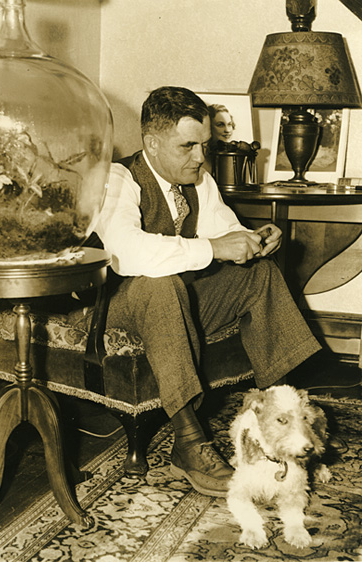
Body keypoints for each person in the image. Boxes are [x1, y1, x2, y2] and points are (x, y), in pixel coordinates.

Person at [94, 86, 321, 497]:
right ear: (152, 143)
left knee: (261, 274)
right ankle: (188, 443)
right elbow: (127, 254)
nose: (200, 157)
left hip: (179, 299)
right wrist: (215, 248)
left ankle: (280, 414)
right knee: (160, 287)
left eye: (204, 145)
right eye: (188, 146)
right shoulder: (118, 178)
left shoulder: (199, 180)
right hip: (117, 303)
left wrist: (253, 239)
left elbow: (224, 230)